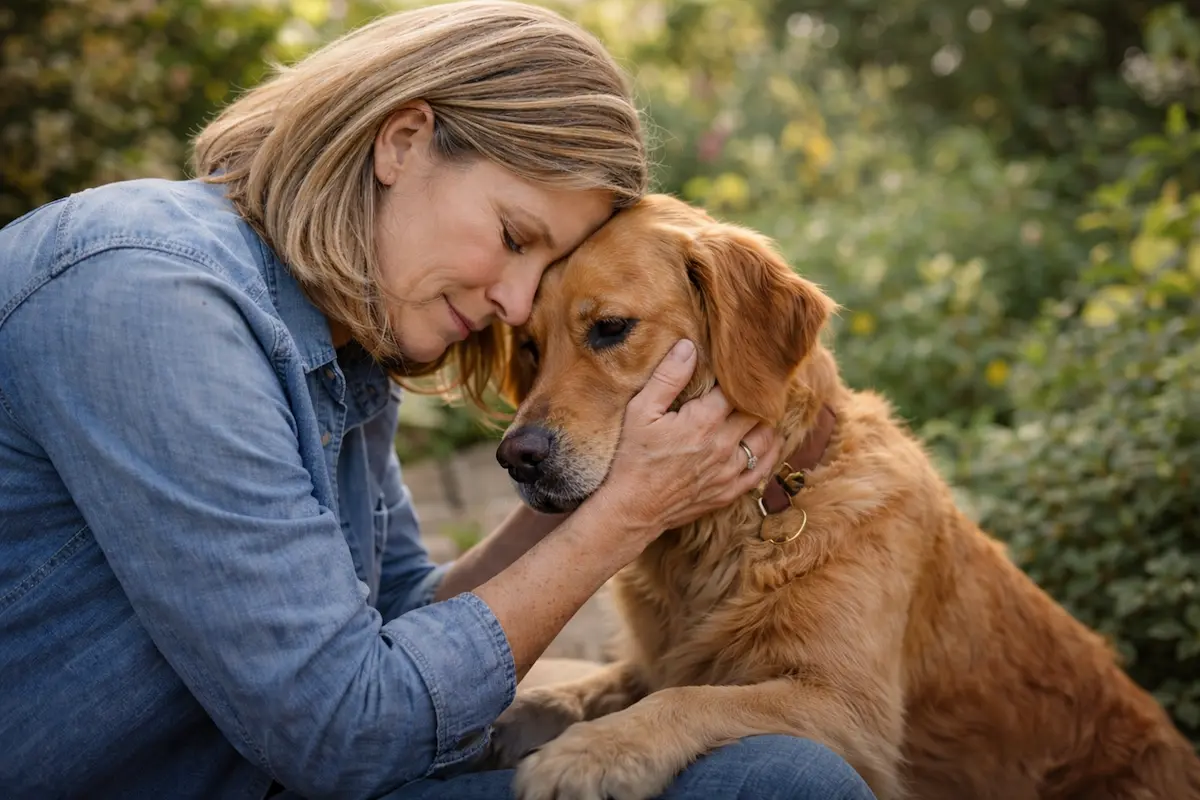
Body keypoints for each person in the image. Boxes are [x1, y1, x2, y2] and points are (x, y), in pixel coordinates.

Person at [0, 2, 876, 798]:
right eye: (512, 236)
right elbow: (345, 732)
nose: (518, 303)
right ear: (403, 140)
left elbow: (397, 624)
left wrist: (603, 472)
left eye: (545, 267)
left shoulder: (343, 341)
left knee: (776, 769)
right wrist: (627, 515)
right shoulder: (152, 302)